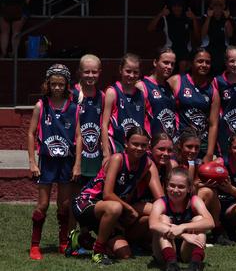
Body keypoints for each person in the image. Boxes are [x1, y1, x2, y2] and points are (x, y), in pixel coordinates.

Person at [72, 127, 163, 265]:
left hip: (112, 209)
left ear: (148, 146)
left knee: (125, 254)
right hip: (87, 202)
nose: (139, 148)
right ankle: (98, 251)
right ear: (126, 143)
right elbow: (107, 194)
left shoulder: (146, 164)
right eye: (135, 144)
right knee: (115, 208)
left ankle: (82, 239)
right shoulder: (117, 159)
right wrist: (129, 209)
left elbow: (131, 189)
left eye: (143, 145)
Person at [26, 64, 78, 260]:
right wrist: (32, 161)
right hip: (46, 161)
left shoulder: (74, 107)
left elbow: (79, 136)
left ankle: (63, 242)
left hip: (66, 161)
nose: (57, 87)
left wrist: (77, 163)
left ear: (66, 85)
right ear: (48, 83)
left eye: (61, 84)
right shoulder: (41, 105)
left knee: (64, 205)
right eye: (53, 83)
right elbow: (31, 133)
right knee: (43, 204)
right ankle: (35, 245)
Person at [149, 167, 214, 271]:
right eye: (172, 185)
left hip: (187, 251)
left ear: (189, 189)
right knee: (163, 219)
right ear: (166, 186)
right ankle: (171, 264)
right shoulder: (160, 203)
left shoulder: (194, 200)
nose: (175, 190)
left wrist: (183, 227)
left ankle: (195, 264)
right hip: (163, 250)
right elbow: (153, 225)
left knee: (199, 219)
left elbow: (210, 222)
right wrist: (183, 235)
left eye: (181, 187)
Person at [174, 128, 231, 246]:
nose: (193, 151)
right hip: (175, 203)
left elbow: (193, 189)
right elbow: (186, 190)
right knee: (206, 192)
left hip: (189, 201)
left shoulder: (198, 162)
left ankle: (216, 229)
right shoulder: (174, 163)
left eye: (196, 147)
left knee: (210, 190)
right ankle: (207, 230)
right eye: (189, 146)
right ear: (180, 146)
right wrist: (195, 182)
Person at [169, 48, 220, 163]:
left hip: (201, 146)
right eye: (200, 61)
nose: (204, 65)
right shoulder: (176, 81)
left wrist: (210, 153)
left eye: (207, 62)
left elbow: (213, 125)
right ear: (191, 63)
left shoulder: (213, 91)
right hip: (179, 144)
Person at [101, 53, 146, 154]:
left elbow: (143, 122)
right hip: (117, 145)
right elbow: (104, 124)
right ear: (121, 69)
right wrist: (105, 152)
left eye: (135, 72)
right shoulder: (112, 92)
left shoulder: (142, 94)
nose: (131, 75)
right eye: (128, 71)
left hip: (136, 147)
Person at [72, 54, 105, 186]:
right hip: (74, 153)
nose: (90, 75)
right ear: (80, 72)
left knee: (91, 193)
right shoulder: (72, 94)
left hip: (93, 155)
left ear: (100, 72)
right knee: (68, 202)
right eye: (86, 72)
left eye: (94, 72)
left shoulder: (102, 96)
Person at [148, 0, 199, 73]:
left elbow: (197, 36)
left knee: (183, 63)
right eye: (174, 6)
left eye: (179, 6)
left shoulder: (188, 18)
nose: (177, 8)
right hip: (170, 49)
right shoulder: (166, 18)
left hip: (185, 51)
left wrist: (194, 19)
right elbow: (150, 29)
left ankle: (182, 83)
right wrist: (160, 14)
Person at [137, 48, 178, 140]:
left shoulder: (170, 87)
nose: (169, 67)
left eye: (172, 64)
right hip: (151, 143)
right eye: (166, 62)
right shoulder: (142, 85)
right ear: (155, 62)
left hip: (169, 144)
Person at [201, 0, 233, 75]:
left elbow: (230, 34)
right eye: (215, 5)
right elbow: (202, 34)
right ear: (211, 6)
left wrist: (227, 18)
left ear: (224, 7)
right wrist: (209, 17)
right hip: (208, 48)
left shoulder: (227, 18)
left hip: (222, 49)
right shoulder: (205, 17)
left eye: (220, 5)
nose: (218, 8)